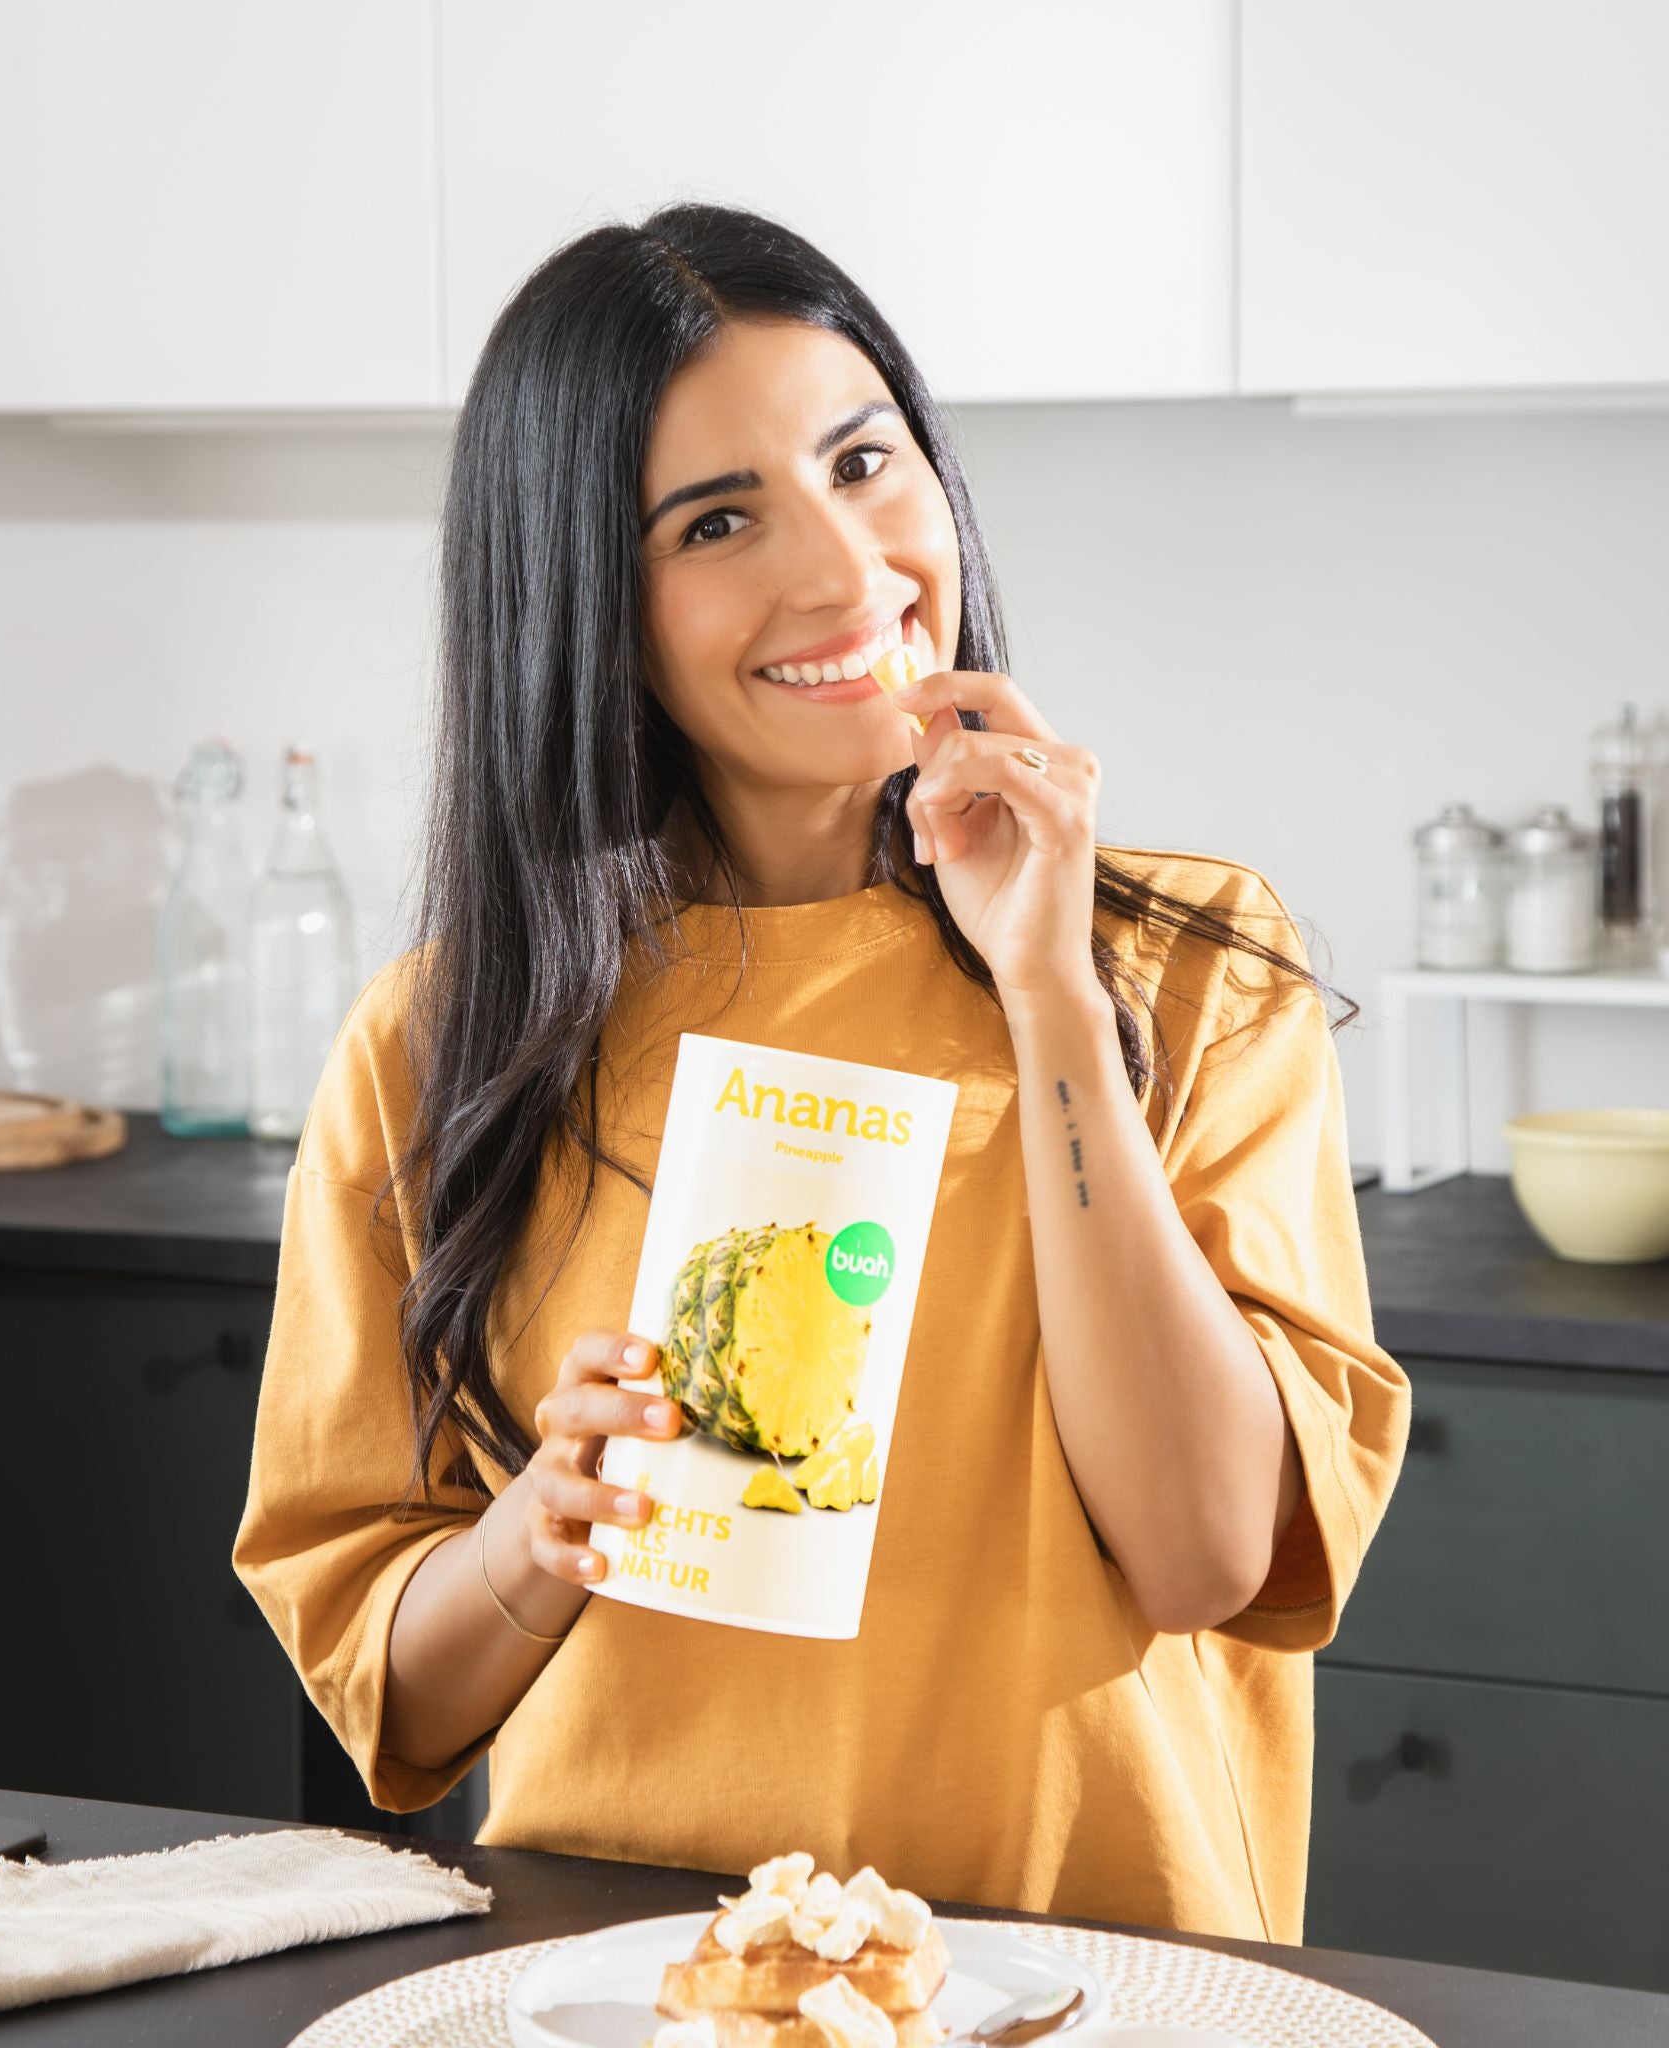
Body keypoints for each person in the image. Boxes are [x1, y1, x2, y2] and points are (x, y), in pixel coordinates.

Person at [233, 203, 1409, 1944]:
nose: (849, 572)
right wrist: (534, 1536)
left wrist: (1049, 992)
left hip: (1092, 1981)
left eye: (863, 464)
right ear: (585, 604)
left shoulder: (1189, 968)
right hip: (641, 1982)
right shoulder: (439, 1043)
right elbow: (391, 1699)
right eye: (717, 521)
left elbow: (1205, 1555)